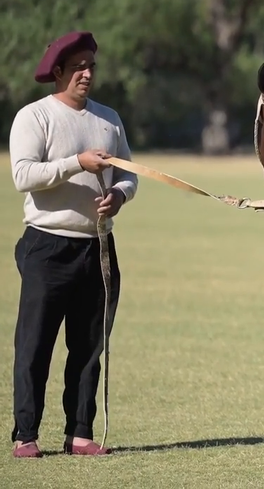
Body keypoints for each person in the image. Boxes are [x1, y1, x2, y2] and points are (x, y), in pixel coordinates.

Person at [8, 31, 138, 458]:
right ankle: (26, 434)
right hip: (47, 246)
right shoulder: (34, 117)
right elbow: (23, 175)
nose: (87, 74)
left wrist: (119, 194)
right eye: (78, 67)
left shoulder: (108, 118)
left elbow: (128, 174)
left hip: (97, 247)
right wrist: (75, 163)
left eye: (91, 66)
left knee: (89, 346)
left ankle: (79, 432)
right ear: (58, 71)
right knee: (35, 346)